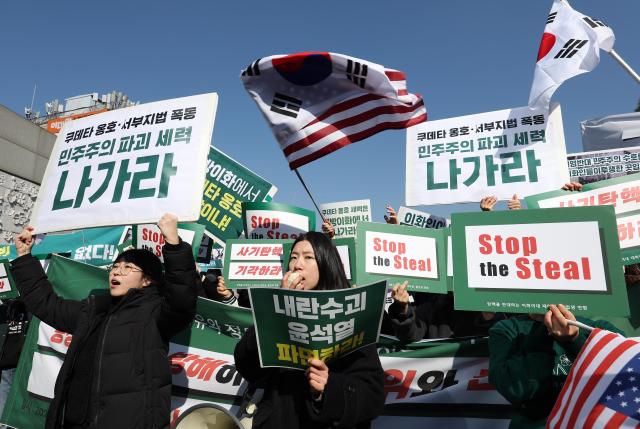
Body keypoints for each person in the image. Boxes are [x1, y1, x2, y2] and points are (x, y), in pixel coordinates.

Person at [10, 213, 198, 429]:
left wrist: (174, 245)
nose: (117, 271)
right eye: (115, 266)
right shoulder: (92, 309)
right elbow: (47, 305)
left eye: (128, 268)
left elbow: (182, 300)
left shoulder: (154, 314)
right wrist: (24, 256)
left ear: (147, 280)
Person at [233, 231, 385, 429]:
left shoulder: (350, 315)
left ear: (325, 264)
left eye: (308, 257)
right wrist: (273, 311)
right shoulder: (276, 312)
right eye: (293, 257)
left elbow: (372, 397)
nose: (297, 265)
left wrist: (329, 388)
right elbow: (246, 366)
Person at [489, 304, 621, 429]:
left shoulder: (597, 327)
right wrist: (543, 331)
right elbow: (514, 389)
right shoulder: (506, 329)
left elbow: (622, 376)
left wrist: (575, 339)